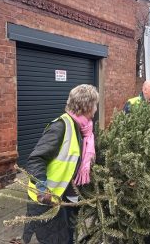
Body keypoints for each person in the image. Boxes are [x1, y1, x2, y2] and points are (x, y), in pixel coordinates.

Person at [22, 84, 99, 244]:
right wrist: (43, 188)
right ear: (87, 105)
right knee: (58, 240)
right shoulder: (61, 126)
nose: (96, 108)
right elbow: (35, 159)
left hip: (69, 197)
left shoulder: (84, 129)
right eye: (95, 104)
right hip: (49, 199)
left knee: (68, 235)